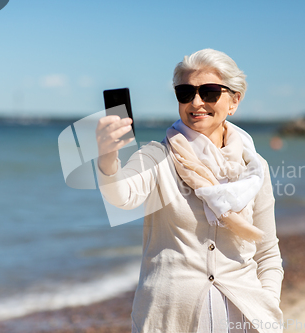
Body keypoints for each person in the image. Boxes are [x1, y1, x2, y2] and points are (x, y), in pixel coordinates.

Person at [96, 49, 284, 333]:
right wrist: (107, 157)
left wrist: (267, 306)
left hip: (244, 319)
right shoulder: (158, 156)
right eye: (185, 92)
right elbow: (122, 195)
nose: (196, 102)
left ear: (234, 101)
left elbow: (268, 252)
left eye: (209, 92)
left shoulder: (254, 168)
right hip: (168, 321)